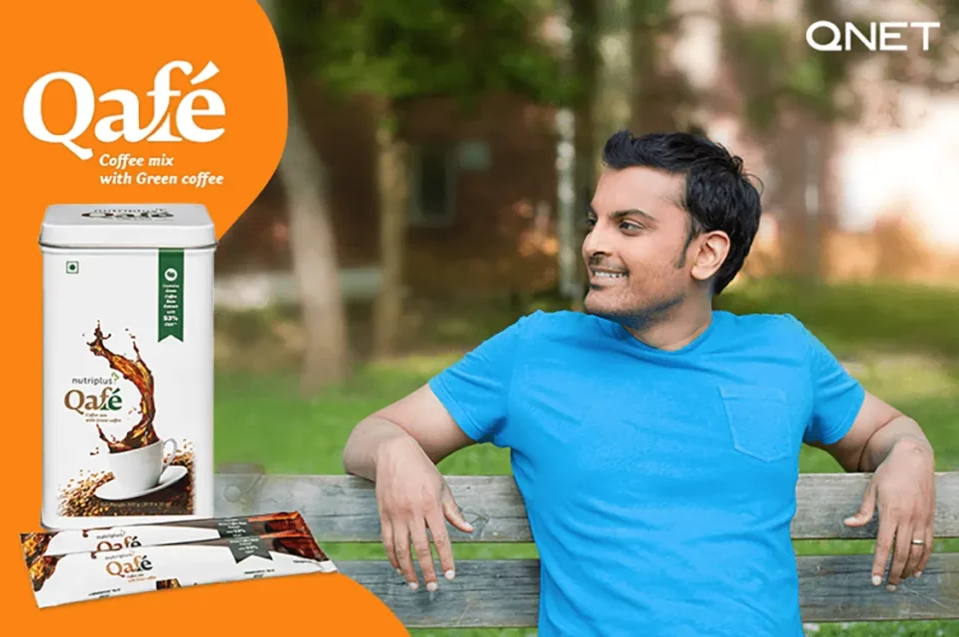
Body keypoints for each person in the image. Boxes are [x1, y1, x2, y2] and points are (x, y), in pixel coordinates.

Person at [341, 130, 938, 636]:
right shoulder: (534, 351)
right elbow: (376, 431)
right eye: (595, 221)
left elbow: (879, 433)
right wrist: (396, 452)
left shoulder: (783, 349)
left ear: (706, 254)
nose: (594, 243)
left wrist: (908, 453)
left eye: (629, 226)